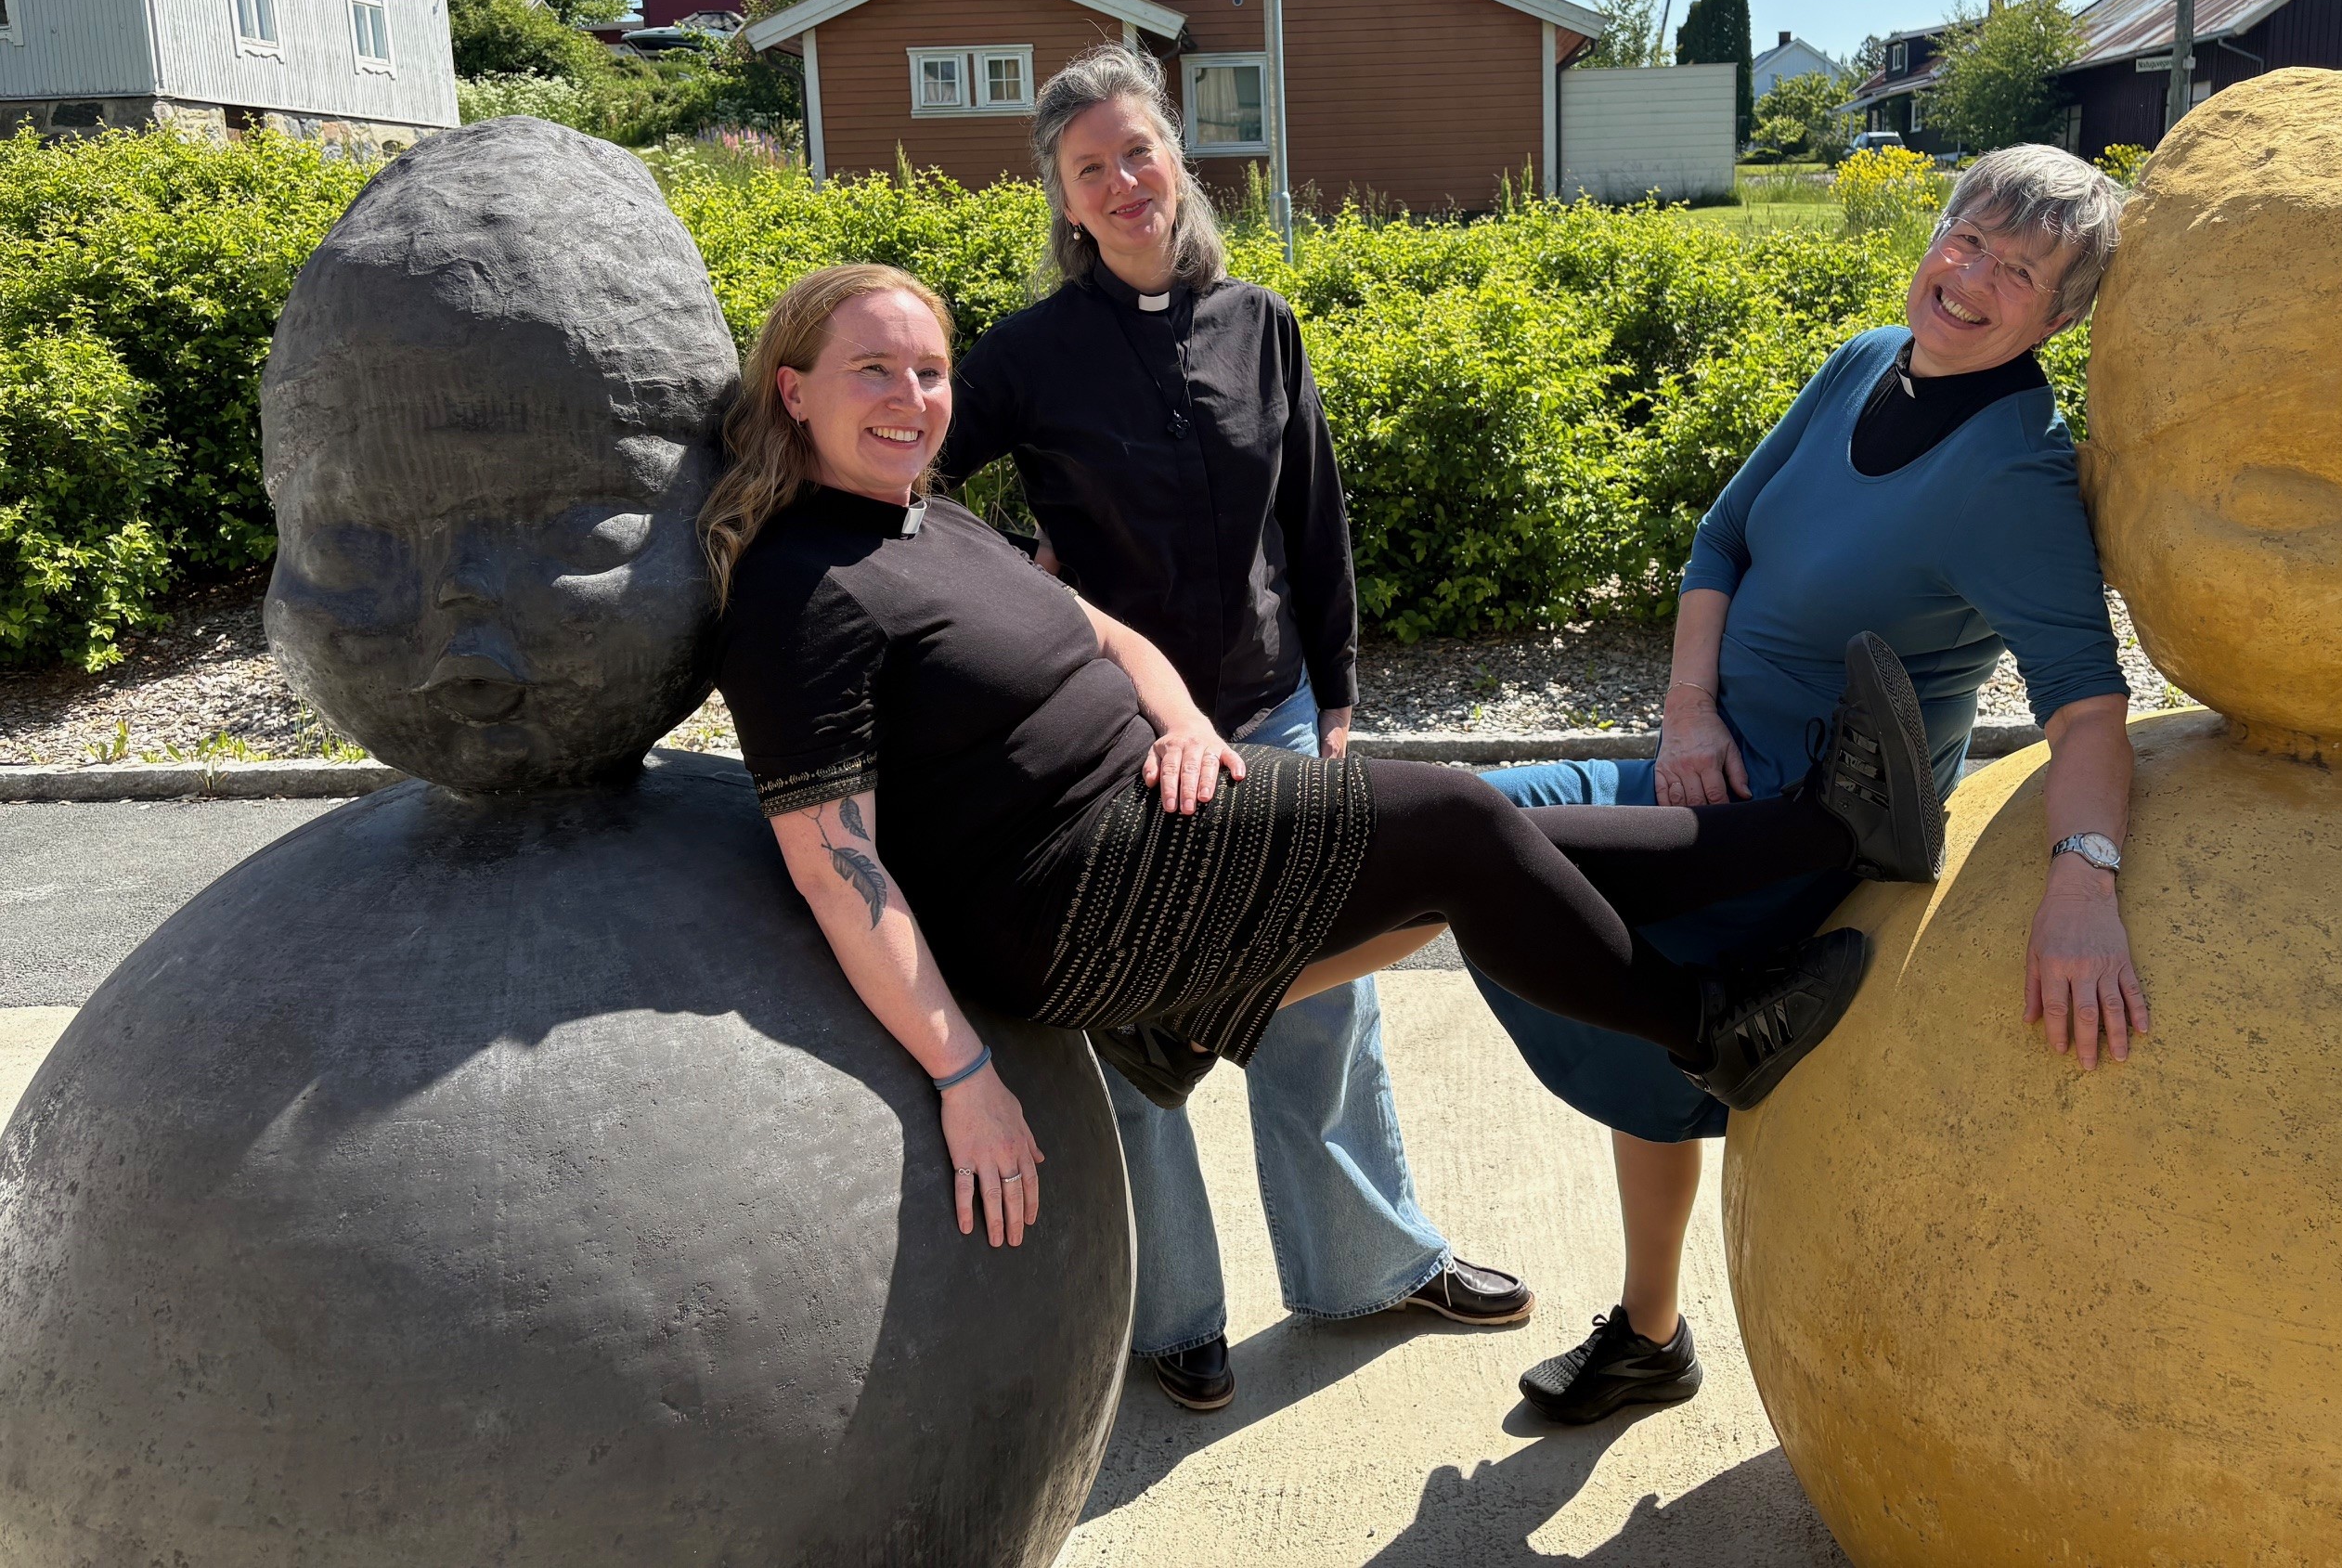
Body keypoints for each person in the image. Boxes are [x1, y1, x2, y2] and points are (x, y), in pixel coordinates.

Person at [703, 262, 1950, 1272]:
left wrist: (1185, 720)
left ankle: (1826, 833)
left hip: (1159, 802)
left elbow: (1101, 630)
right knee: (1460, 823)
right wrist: (964, 1075)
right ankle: (1717, 1030)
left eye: (928, 370)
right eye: (875, 369)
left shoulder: (929, 515)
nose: (913, 397)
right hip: (1069, 896)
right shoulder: (796, 590)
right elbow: (838, 868)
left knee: (1498, 832)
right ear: (794, 387)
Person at [1482, 144, 2140, 1427]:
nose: (1973, 276)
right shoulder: (1858, 364)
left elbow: (2090, 709)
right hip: (1697, 771)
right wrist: (1683, 709)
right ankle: (1656, 1313)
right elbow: (1720, 537)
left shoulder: (2016, 476)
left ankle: (1198, 996)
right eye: (1966, 238)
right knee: (1497, 878)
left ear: (2060, 319)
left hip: (1800, 828)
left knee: (1471, 837)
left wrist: (2087, 877)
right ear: (1934, 232)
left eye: (2021, 270)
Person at [930, 44, 1527, 1413]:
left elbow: (1311, 516)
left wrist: (1340, 700)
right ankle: (1173, 1313)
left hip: (1272, 710)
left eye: (1139, 153)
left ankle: (1365, 1267)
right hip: (1115, 741)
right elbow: (915, 483)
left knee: (1330, 1007)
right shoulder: (1023, 357)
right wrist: (1024, 577)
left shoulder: (1263, 322)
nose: (1125, 183)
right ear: (1065, 203)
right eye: (1093, 170)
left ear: (1179, 159)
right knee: (1137, 1026)